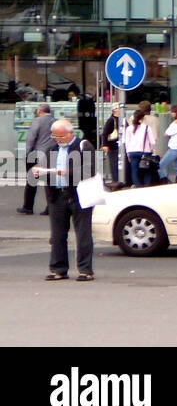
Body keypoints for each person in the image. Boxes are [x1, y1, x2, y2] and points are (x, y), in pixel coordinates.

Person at [34, 119, 98, 281]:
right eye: (55, 136)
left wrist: (67, 172)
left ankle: (85, 270)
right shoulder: (52, 148)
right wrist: (39, 171)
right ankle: (58, 269)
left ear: (71, 133)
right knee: (57, 235)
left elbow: (89, 170)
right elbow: (46, 167)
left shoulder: (83, 146)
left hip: (79, 195)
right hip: (57, 195)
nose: (58, 139)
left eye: (61, 136)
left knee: (83, 233)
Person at [19, 102, 55, 215]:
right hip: (52, 154)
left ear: (40, 111)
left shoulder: (37, 121)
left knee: (31, 181)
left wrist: (27, 153)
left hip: (37, 154)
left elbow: (31, 138)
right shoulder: (55, 121)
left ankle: (28, 207)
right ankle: (50, 207)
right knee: (50, 181)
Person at [124, 103, 158, 187]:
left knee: (134, 171)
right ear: (143, 118)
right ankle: (146, 186)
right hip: (145, 152)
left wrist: (128, 152)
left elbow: (126, 141)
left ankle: (138, 186)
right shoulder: (146, 128)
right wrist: (152, 150)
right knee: (147, 170)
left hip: (132, 152)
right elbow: (152, 141)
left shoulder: (129, 128)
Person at [158, 105, 177, 183]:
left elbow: (166, 133)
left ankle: (165, 180)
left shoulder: (175, 123)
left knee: (161, 165)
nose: (171, 113)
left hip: (174, 148)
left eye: (173, 112)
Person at [101, 104, 121, 186]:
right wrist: (105, 144)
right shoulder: (111, 120)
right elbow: (105, 133)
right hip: (113, 146)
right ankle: (116, 181)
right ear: (115, 110)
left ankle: (119, 181)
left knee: (118, 164)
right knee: (114, 164)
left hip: (120, 146)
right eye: (119, 108)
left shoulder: (121, 119)